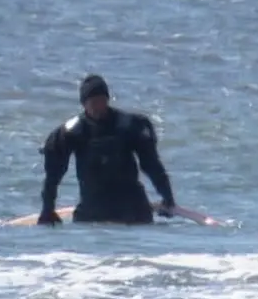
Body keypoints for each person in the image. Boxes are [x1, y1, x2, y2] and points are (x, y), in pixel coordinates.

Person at [36, 74, 176, 226]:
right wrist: (47, 210)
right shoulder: (71, 132)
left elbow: (151, 165)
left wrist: (167, 198)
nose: (98, 106)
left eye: (102, 101)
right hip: (92, 212)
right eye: (93, 102)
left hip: (133, 210)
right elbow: (53, 176)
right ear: (84, 104)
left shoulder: (129, 126)